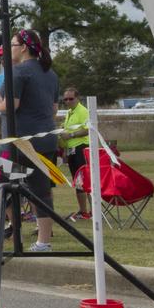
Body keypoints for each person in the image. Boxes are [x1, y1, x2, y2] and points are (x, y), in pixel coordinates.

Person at [3, 28, 60, 251]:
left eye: (13, 45)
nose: (10, 50)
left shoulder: (18, 72)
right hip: (46, 138)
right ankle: (43, 241)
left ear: (24, 48)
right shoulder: (51, 74)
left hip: (22, 142)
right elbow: (54, 109)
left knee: (0, 187)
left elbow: (12, 106)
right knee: (42, 191)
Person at [60, 87, 92, 220]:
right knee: (77, 182)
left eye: (71, 99)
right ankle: (83, 211)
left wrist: (71, 134)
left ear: (77, 98)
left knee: (85, 181)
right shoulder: (69, 112)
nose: (68, 101)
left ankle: (93, 211)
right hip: (71, 150)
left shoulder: (83, 111)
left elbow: (88, 129)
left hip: (81, 148)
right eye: (65, 99)